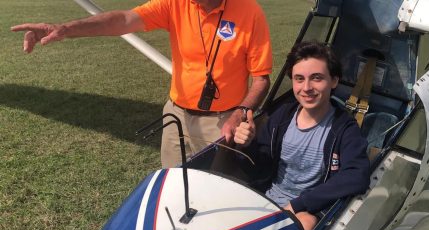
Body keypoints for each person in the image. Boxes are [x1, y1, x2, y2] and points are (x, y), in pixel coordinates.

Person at [11, 0, 272, 168]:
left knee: (213, 189)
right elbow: (124, 20)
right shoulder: (176, 4)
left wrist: (240, 112)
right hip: (176, 116)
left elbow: (261, 79)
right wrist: (65, 29)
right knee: (171, 183)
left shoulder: (250, 12)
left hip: (221, 122)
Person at [234, 41, 370, 230]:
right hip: (267, 197)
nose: (306, 87)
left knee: (303, 224)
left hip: (307, 209)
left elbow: (357, 176)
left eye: (316, 78)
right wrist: (246, 146)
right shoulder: (282, 117)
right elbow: (258, 171)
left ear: (334, 81)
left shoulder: (344, 128)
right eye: (299, 79)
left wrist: (299, 205)